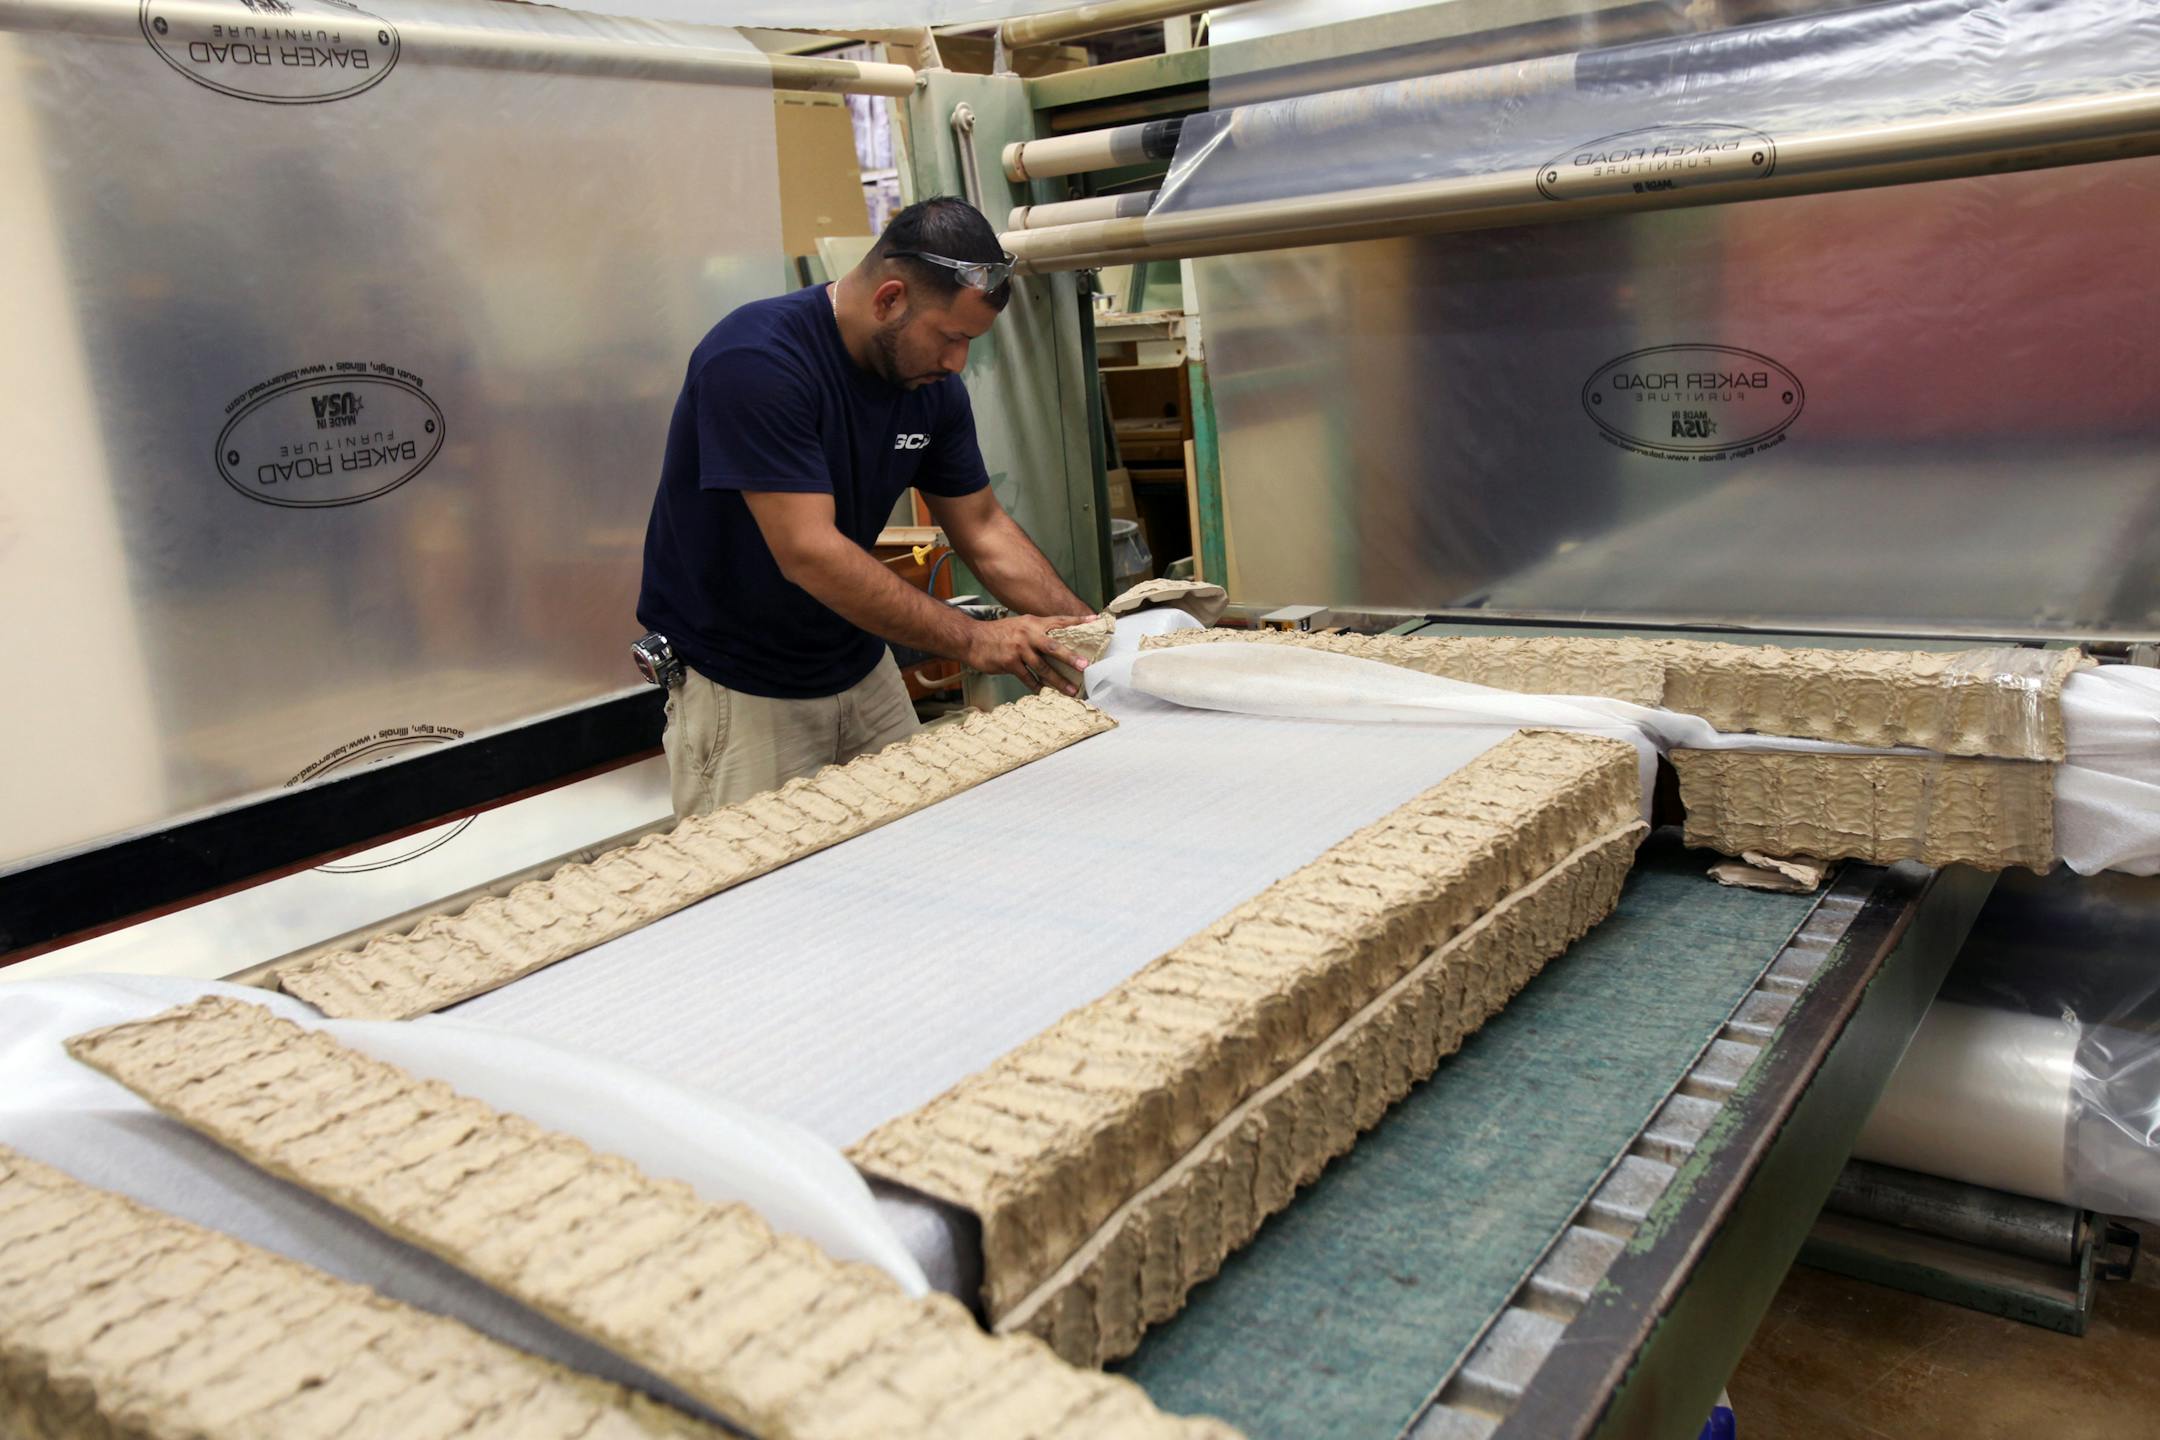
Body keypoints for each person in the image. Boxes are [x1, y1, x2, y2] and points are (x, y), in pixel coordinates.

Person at [636, 197, 1098, 819]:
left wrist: (1088, 637)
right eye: (952, 337)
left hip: (856, 663)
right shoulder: (756, 362)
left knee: (917, 848)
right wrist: (974, 638)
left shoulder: (929, 389)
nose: (957, 362)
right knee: (763, 892)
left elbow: (983, 528)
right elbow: (810, 553)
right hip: (744, 687)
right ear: (889, 300)